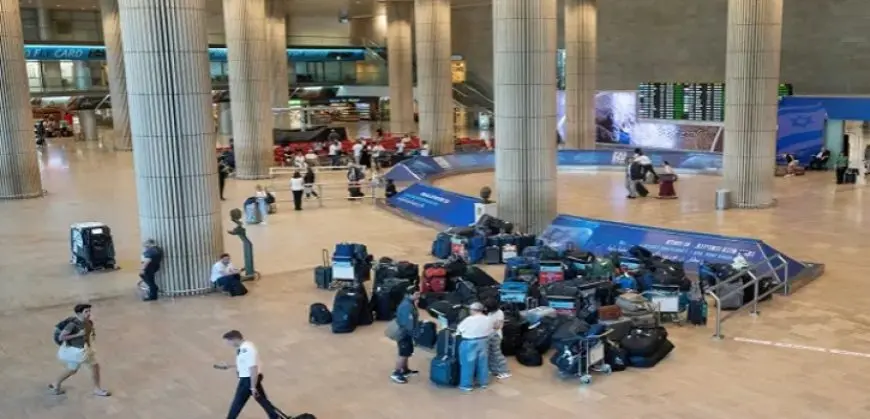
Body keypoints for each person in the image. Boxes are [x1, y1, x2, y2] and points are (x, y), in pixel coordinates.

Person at [215, 330, 279, 419]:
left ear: (235, 339)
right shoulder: (245, 346)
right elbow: (245, 363)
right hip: (250, 379)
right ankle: (274, 416)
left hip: (248, 380)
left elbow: (253, 368)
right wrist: (229, 366)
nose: (229, 345)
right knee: (262, 400)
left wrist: (252, 387)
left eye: (229, 342)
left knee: (237, 403)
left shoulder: (247, 350)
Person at [50, 304, 111, 397]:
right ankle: (97, 389)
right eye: (86, 311)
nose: (89, 313)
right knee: (94, 366)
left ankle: (56, 384)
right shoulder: (72, 325)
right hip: (78, 352)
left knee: (72, 369)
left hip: (83, 350)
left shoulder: (88, 322)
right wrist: (78, 335)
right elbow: (61, 337)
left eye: (89, 311)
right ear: (79, 313)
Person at [456, 302, 493, 392]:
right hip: (484, 341)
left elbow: (459, 330)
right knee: (483, 363)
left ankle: (466, 385)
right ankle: (483, 383)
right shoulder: (488, 319)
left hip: (469, 342)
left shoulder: (469, 320)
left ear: (473, 310)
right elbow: (491, 330)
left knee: (468, 364)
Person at [391, 287, 421, 384]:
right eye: (416, 294)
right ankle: (396, 373)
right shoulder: (406, 306)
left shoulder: (410, 303)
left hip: (407, 333)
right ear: (409, 294)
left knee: (407, 352)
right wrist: (414, 334)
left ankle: (405, 370)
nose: (418, 296)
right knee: (403, 354)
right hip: (404, 334)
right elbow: (407, 323)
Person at [486, 307, 511, 380]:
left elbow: (498, 326)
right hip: (489, 335)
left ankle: (505, 372)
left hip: (496, 336)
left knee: (497, 355)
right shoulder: (490, 312)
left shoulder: (499, 312)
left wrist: (487, 325)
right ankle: (494, 370)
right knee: (491, 354)